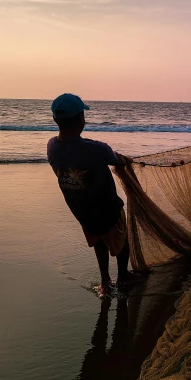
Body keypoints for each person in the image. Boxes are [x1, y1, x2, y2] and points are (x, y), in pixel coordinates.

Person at [47, 93, 139, 297]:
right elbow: (117, 161)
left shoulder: (52, 147)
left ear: (55, 120)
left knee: (98, 241)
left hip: (83, 213)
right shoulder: (98, 149)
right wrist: (126, 161)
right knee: (122, 243)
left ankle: (105, 281)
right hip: (109, 210)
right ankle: (123, 276)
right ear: (81, 119)